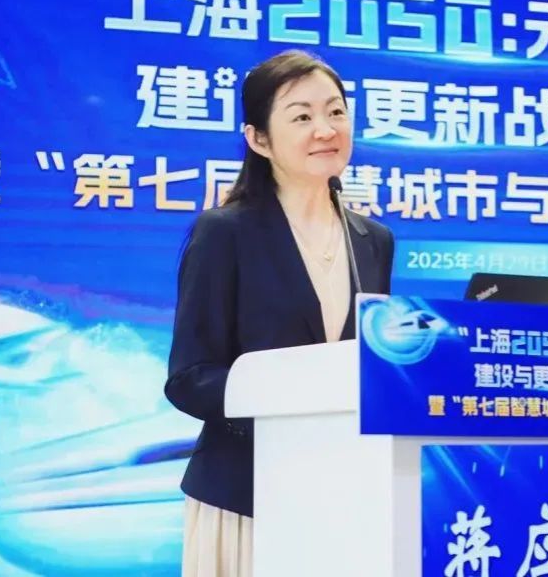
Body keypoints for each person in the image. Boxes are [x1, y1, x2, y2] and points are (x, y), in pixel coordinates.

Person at [165, 50, 395, 576]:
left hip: (343, 498)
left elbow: (370, 366)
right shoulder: (225, 233)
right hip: (247, 496)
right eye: (302, 116)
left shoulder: (374, 240)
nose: (326, 130)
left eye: (336, 112)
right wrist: (292, 394)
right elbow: (189, 379)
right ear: (259, 140)